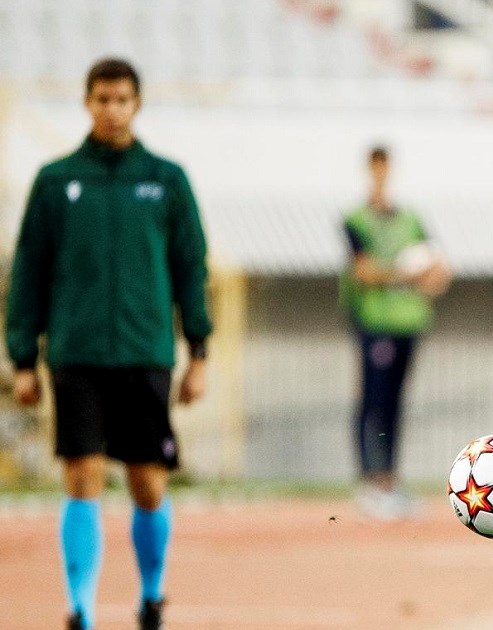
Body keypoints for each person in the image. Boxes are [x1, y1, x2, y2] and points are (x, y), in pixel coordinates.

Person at [5, 58, 211, 630]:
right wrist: (23, 356)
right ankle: (81, 609)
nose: (111, 108)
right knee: (82, 476)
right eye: (101, 98)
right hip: (76, 353)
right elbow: (30, 271)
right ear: (86, 102)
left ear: (137, 104)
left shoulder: (167, 180)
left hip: (146, 351)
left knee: (147, 482)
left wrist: (199, 352)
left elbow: (191, 268)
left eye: (122, 99)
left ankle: (151, 595)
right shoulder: (56, 180)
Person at [340, 145, 451, 519]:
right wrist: (406, 274)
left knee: (396, 404)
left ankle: (390, 480)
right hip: (375, 322)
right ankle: (370, 481)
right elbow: (363, 272)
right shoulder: (355, 218)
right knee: (374, 401)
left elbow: (437, 264)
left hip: (409, 321)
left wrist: (433, 276)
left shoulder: (412, 218)